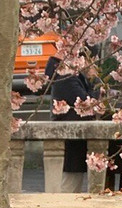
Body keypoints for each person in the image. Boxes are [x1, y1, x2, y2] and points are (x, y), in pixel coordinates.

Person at [44, 52, 99, 192]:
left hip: (74, 139)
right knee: (69, 187)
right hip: (70, 138)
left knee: (72, 183)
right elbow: (87, 103)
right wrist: (95, 81)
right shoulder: (66, 77)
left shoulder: (71, 76)